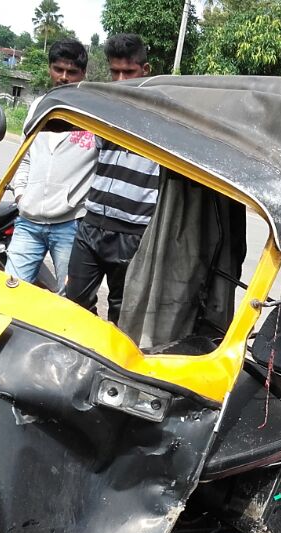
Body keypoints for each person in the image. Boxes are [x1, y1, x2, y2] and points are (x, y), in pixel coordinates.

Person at [65, 33, 160, 322]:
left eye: (128, 72)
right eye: (114, 72)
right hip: (92, 223)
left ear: (145, 70)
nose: (120, 80)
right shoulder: (104, 111)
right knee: (74, 301)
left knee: (122, 313)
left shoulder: (162, 117)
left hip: (134, 231)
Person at [2, 38, 96, 290]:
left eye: (71, 72)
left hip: (70, 224)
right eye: (58, 69)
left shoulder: (94, 114)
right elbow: (24, 156)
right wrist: (20, 194)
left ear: (83, 74)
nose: (64, 77)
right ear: (49, 69)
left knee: (68, 301)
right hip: (28, 221)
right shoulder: (37, 108)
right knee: (10, 291)